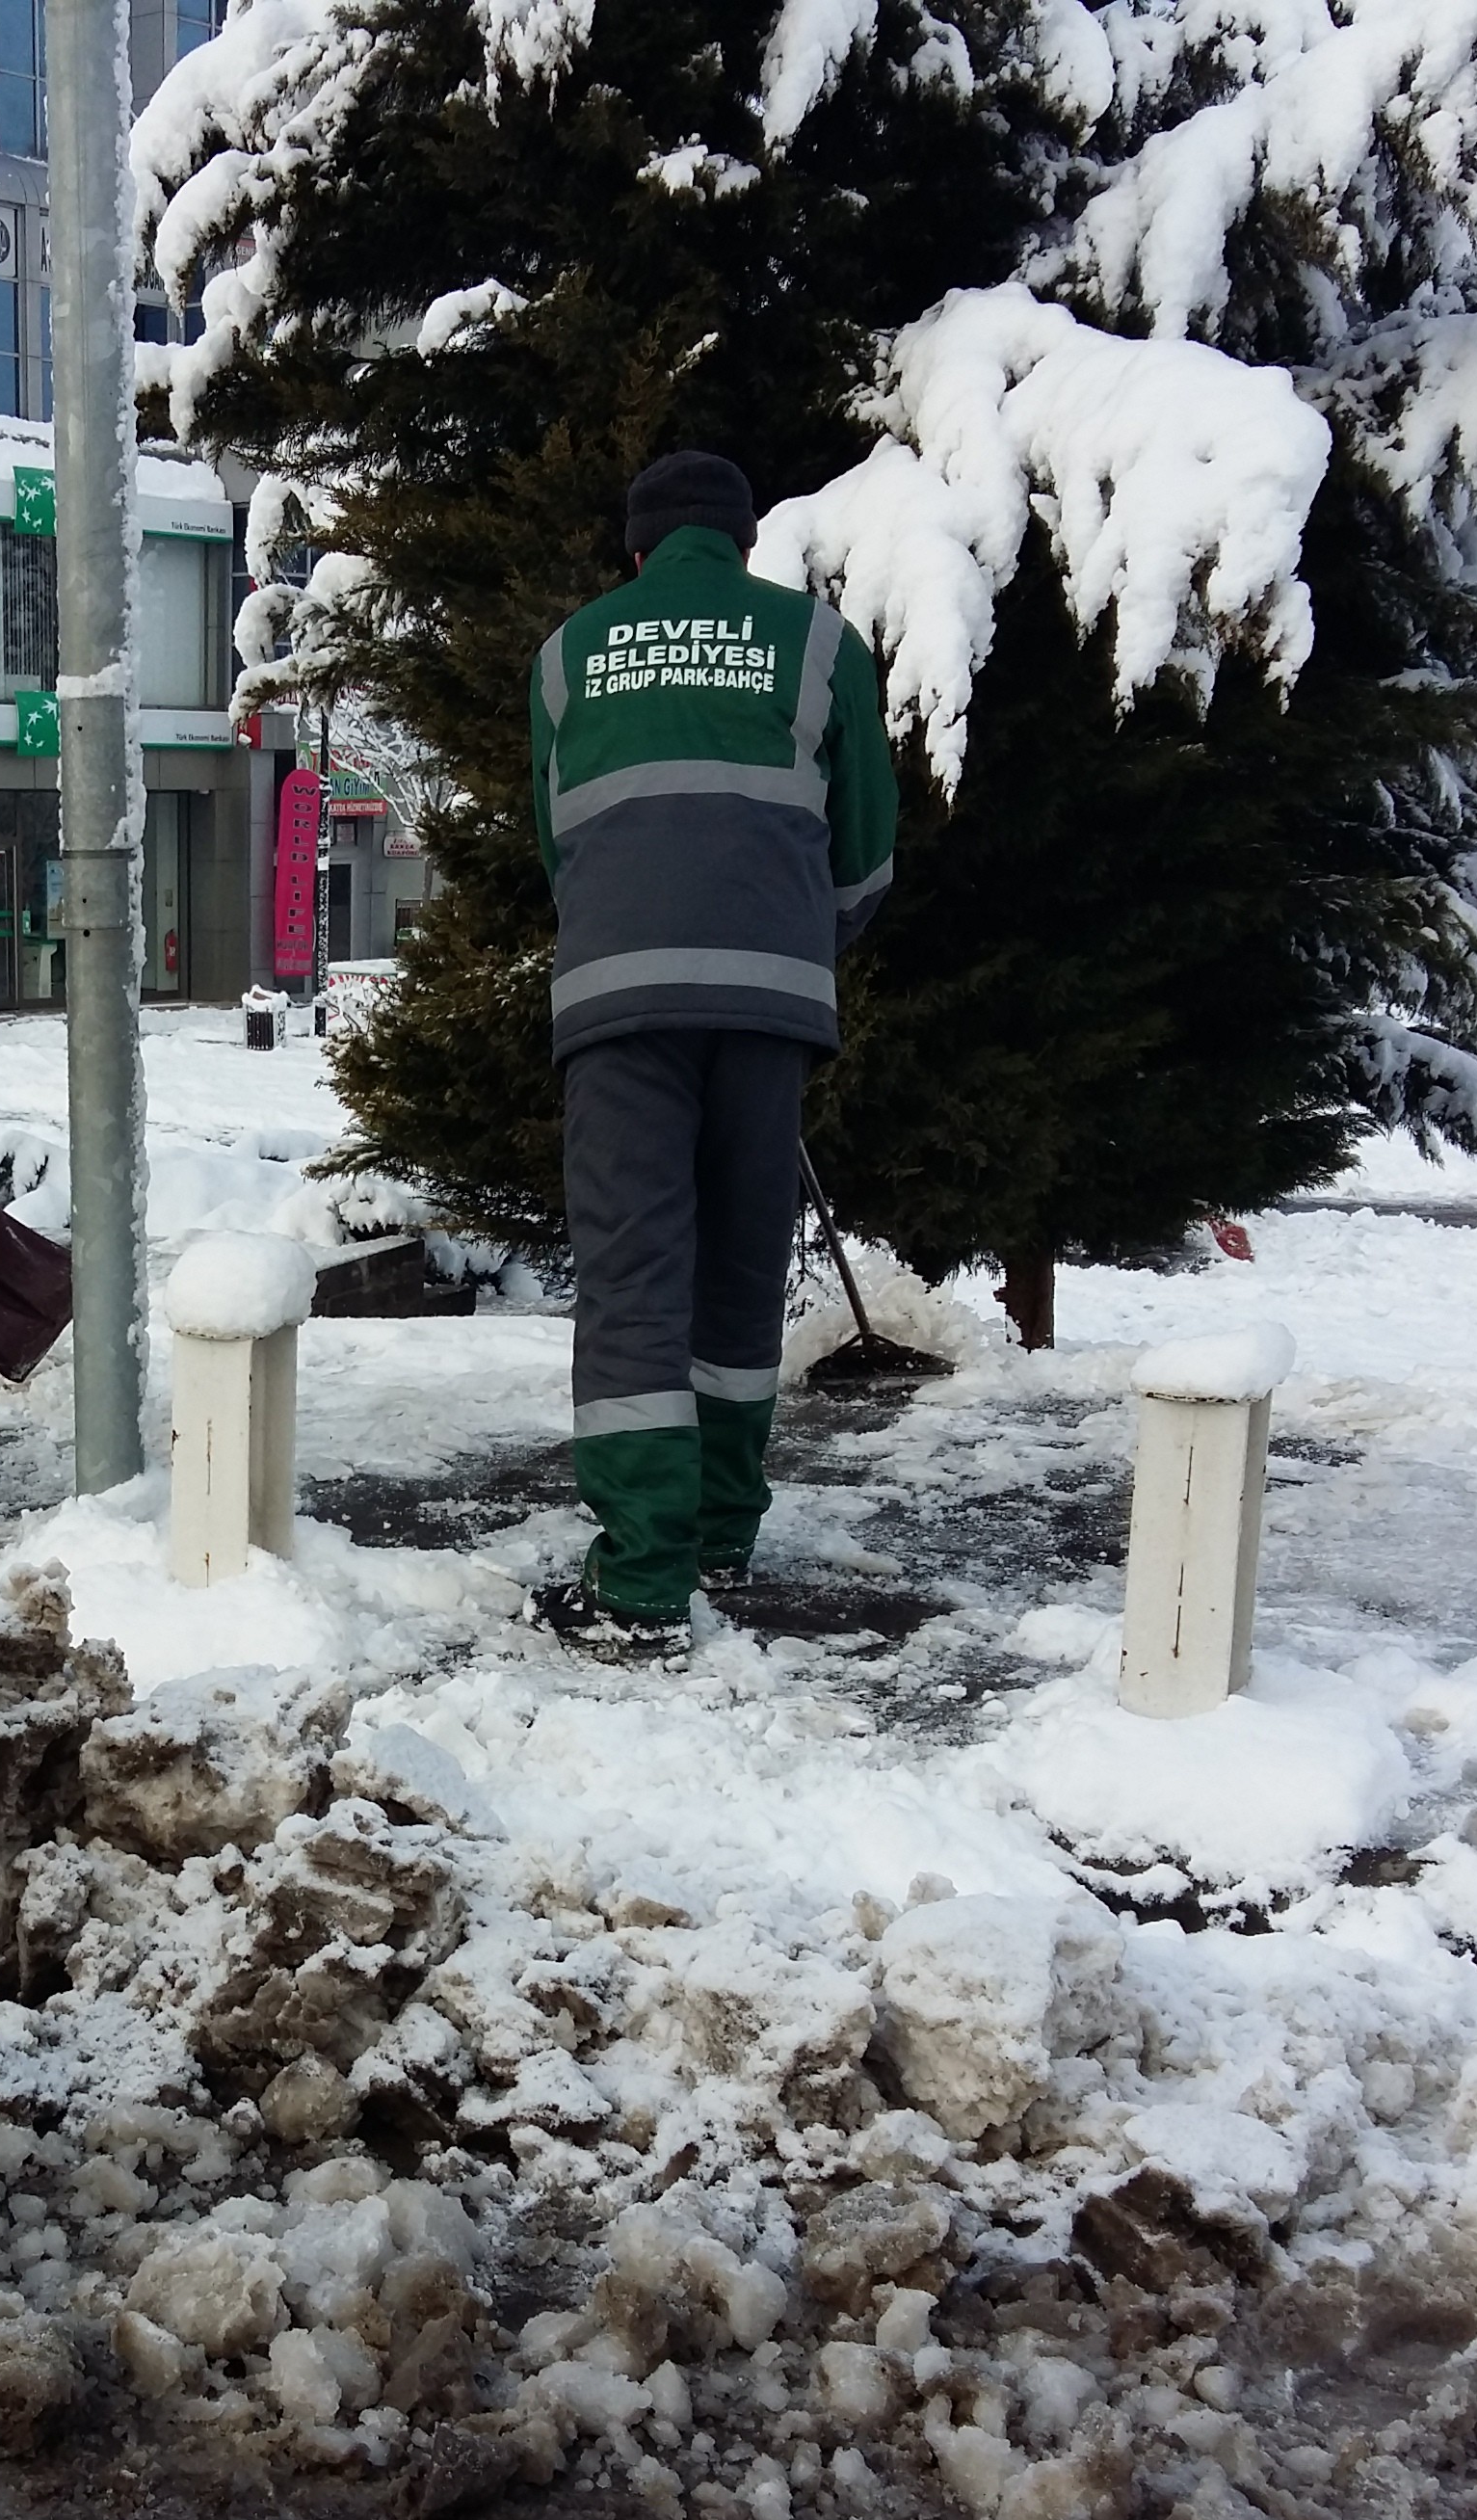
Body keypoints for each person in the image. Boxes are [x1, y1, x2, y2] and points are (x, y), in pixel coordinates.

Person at [526, 450, 899, 1654]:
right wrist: (794, 933)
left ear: (635, 550)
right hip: (770, 999)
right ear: (744, 544)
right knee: (739, 1271)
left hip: (618, 1004)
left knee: (635, 1276)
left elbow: (558, 844)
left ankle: (641, 1576)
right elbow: (869, 848)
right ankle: (722, 1536)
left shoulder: (568, 653)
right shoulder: (818, 644)